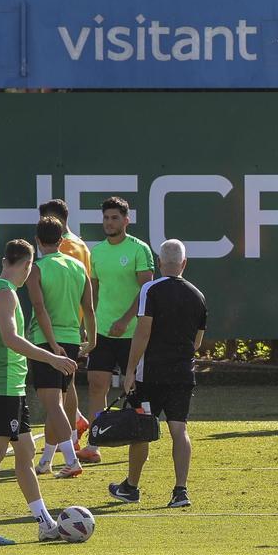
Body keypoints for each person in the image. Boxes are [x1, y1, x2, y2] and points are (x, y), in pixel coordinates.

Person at [0, 239, 80, 546]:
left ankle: (45, 523)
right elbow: (11, 338)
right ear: (28, 266)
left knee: (26, 453)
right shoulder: (4, 293)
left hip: (6, 385)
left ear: (5, 260)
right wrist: (52, 358)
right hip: (3, 384)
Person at [113, 239, 208, 509]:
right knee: (179, 430)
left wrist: (130, 371)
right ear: (184, 263)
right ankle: (180, 490)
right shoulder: (197, 295)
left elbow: (143, 332)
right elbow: (198, 342)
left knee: (142, 430)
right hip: (181, 374)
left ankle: (131, 487)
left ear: (159, 262)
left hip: (150, 374)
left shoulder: (150, 289)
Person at [80, 197, 154, 465]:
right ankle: (94, 443)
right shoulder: (96, 252)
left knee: (135, 389)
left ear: (126, 220)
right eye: (106, 218)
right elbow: (94, 293)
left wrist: (125, 319)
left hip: (133, 334)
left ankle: (142, 438)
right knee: (96, 384)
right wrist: (88, 326)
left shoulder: (139, 249)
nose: (109, 223)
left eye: (114, 218)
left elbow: (147, 291)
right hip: (102, 333)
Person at [26, 216, 95, 478]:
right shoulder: (78, 266)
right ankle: (46, 460)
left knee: (53, 405)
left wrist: (51, 344)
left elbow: (39, 308)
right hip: (72, 340)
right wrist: (93, 338)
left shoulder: (37, 268)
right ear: (62, 240)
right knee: (59, 402)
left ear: (37, 240)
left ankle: (70, 459)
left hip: (47, 341)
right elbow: (88, 308)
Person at [38, 198, 93, 446]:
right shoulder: (81, 245)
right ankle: (73, 427)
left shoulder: (66, 249)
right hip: (73, 323)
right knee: (65, 386)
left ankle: (69, 436)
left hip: (59, 325)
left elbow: (50, 297)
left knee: (60, 391)